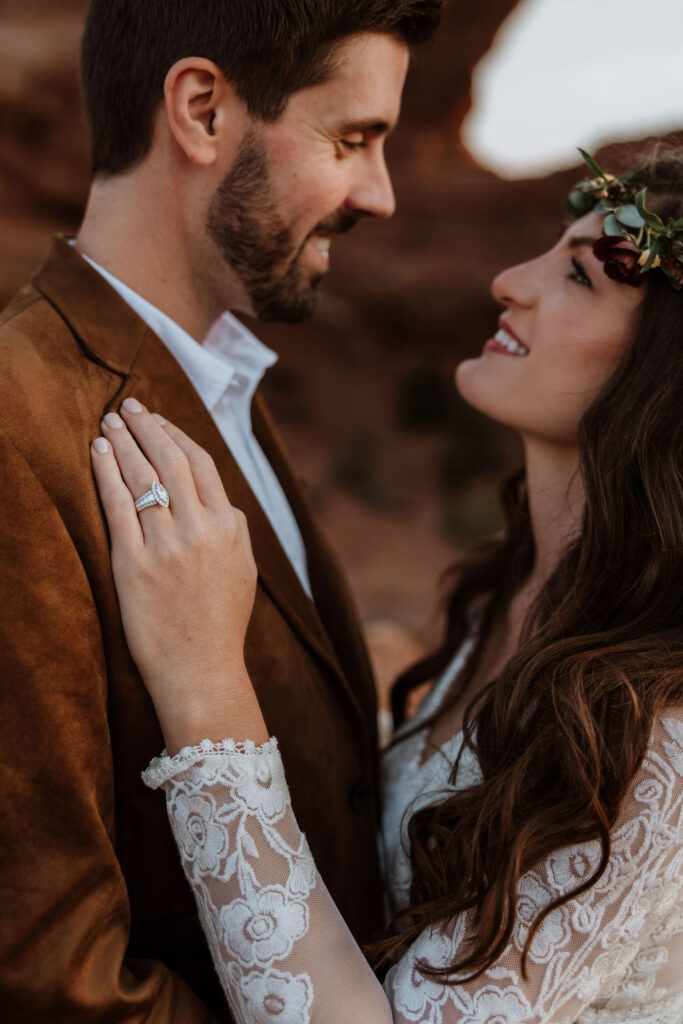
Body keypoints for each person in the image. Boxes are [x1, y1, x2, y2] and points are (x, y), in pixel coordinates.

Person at [91, 147, 683, 1022]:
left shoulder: (658, 736)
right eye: (547, 249)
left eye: (577, 278)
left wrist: (204, 681)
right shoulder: (506, 592)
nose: (507, 281)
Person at [0, 2, 443, 1020]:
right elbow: (46, 972)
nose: (376, 195)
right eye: (352, 139)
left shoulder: (217, 381)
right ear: (202, 110)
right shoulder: (20, 427)